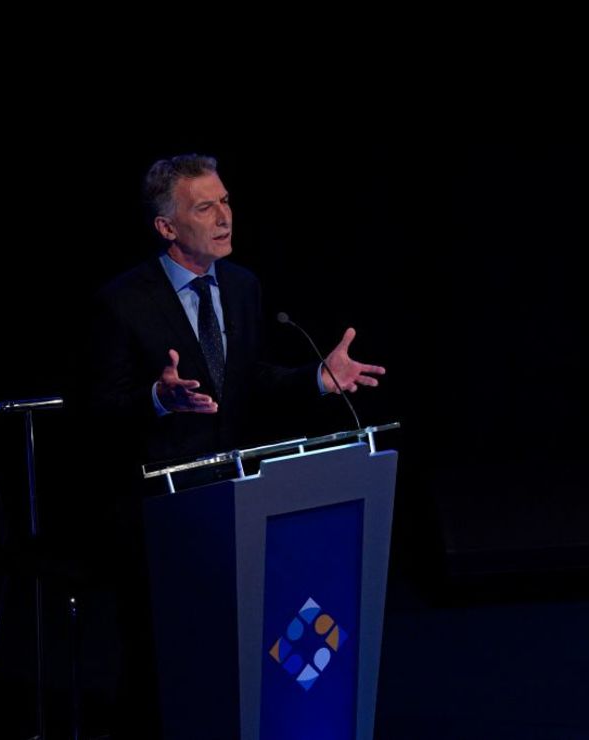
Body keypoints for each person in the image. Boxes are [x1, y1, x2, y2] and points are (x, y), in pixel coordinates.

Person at [88, 154, 385, 737]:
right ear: (167, 227)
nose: (224, 217)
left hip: (234, 500)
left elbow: (248, 379)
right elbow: (96, 408)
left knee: (241, 651)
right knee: (162, 666)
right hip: (154, 510)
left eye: (225, 201)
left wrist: (316, 379)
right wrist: (156, 397)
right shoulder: (122, 301)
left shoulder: (242, 285)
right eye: (205, 207)